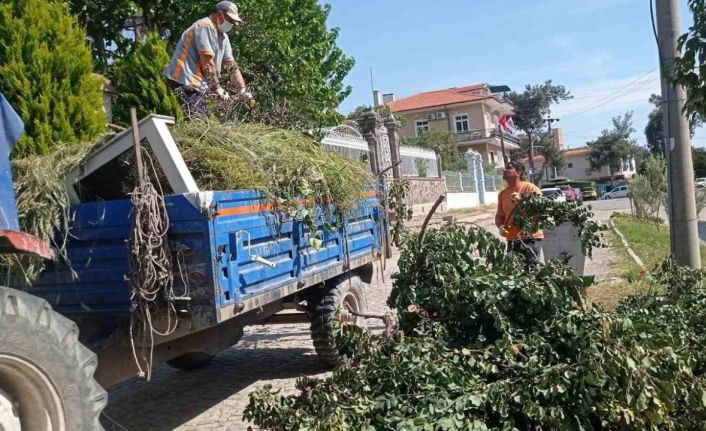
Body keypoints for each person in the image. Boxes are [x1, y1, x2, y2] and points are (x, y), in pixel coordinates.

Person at [164, 1, 254, 117]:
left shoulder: (223, 37)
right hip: (185, 79)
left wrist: (242, 90)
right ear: (219, 14)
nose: (231, 24)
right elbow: (207, 63)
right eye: (230, 20)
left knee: (204, 117)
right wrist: (217, 88)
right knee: (199, 120)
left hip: (198, 83)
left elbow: (231, 65)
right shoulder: (205, 26)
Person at [494, 161, 543, 266]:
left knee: (531, 272)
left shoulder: (530, 189)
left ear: (518, 172)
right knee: (514, 274)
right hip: (512, 240)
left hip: (531, 239)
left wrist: (524, 202)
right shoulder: (502, 194)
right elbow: (499, 217)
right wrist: (500, 227)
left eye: (508, 168)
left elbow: (541, 211)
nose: (504, 170)